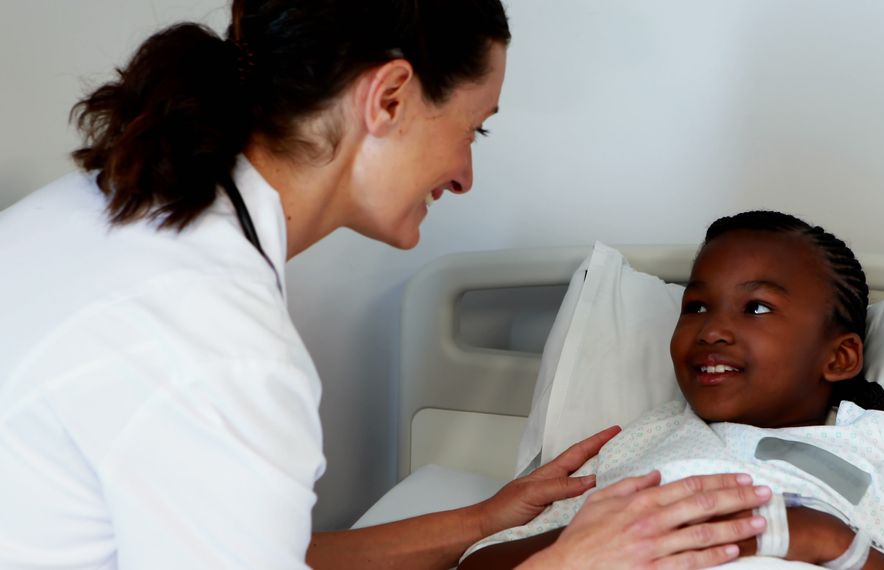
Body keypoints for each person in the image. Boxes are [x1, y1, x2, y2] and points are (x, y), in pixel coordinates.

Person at [0, 2, 773, 568]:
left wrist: (481, 520)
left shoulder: (89, 213)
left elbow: (256, 550)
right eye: (474, 128)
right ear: (390, 96)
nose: (466, 174)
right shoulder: (219, 348)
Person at [460, 211, 884, 569]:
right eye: (696, 306)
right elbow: (480, 563)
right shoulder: (636, 444)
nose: (711, 329)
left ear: (838, 357)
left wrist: (829, 542)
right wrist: (601, 541)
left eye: (757, 307)